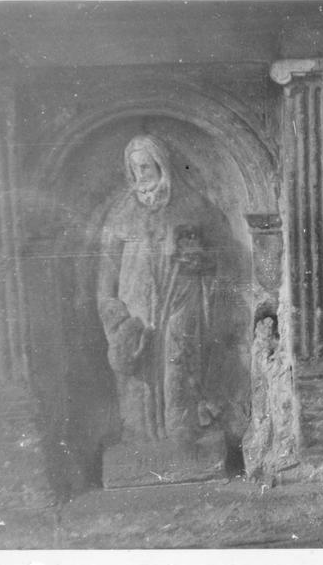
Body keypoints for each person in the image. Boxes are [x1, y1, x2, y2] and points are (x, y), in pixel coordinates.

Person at [97, 134, 221, 445]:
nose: (140, 173)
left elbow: (214, 256)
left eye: (145, 166)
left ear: (160, 164)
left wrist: (199, 260)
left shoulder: (189, 204)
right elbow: (107, 269)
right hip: (136, 301)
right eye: (134, 168)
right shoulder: (121, 211)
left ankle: (182, 435)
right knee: (140, 368)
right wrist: (114, 314)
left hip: (181, 296)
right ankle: (142, 437)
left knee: (179, 359)